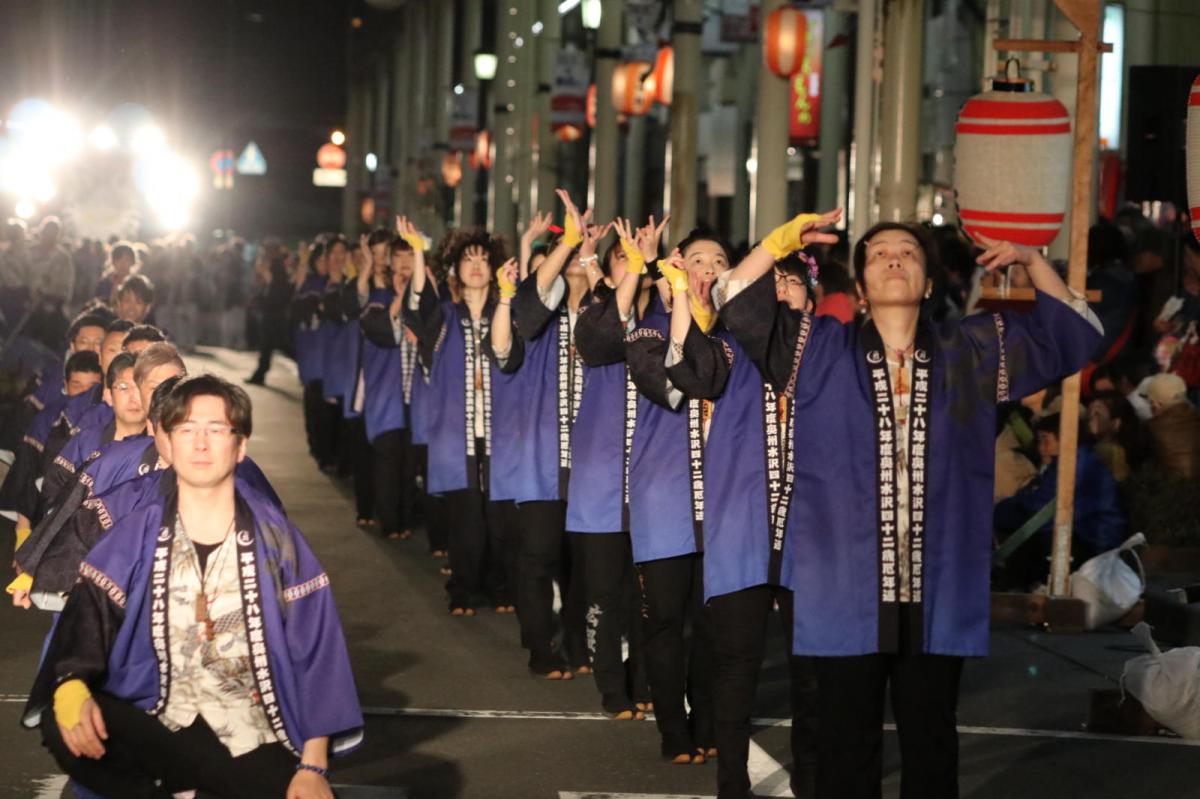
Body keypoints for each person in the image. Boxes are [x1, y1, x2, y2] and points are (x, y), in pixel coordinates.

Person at [715, 211, 1101, 798]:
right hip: (844, 591)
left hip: (938, 589)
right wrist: (778, 241)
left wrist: (1031, 259)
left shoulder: (971, 349)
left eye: (908, 252)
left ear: (928, 283)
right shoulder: (819, 349)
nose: (894, 258)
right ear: (861, 288)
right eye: (878, 254)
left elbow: (1074, 336)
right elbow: (736, 300)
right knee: (846, 749)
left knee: (931, 745)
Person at [27, 374, 362, 798]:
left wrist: (313, 765)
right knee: (62, 721)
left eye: (216, 430)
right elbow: (87, 618)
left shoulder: (278, 542)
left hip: (251, 737)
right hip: (160, 718)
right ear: (167, 443)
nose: (200, 444)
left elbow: (317, 654)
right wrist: (72, 684)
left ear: (240, 446)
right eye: (186, 430)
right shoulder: (137, 533)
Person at [703, 250, 821, 798]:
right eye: (769, 282)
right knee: (736, 667)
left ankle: (814, 778)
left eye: (791, 281)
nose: (780, 289)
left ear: (811, 296)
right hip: (741, 531)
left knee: (812, 671)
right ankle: (731, 784)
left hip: (810, 537)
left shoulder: (831, 355)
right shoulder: (730, 349)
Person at [625, 227, 738, 764]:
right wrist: (680, 308)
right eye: (697, 259)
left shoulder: (739, 335)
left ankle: (708, 721)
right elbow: (673, 387)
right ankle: (673, 728)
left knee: (714, 627)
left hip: (724, 505)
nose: (708, 268)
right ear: (677, 268)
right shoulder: (646, 333)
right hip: (665, 501)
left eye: (719, 260)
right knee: (666, 622)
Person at [490, 191, 600, 679]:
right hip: (542, 463)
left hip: (594, 463)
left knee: (583, 563)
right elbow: (521, 316)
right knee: (539, 556)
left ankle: (577, 640)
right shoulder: (538, 322)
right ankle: (540, 646)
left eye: (579, 251)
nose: (572, 259)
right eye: (564, 254)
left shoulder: (601, 317)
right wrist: (565, 241)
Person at [565, 214, 664, 716]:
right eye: (623, 257)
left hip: (655, 486)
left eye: (638, 256)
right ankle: (611, 687)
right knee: (604, 594)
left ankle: (644, 682)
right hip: (600, 484)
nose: (634, 262)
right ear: (606, 274)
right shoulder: (594, 317)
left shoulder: (668, 318)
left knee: (648, 599)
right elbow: (602, 341)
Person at [403, 218, 508, 616]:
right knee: (466, 518)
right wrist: (418, 252)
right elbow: (419, 306)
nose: (476, 266)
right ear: (455, 270)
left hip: (501, 434)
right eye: (468, 259)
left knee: (499, 515)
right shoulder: (445, 316)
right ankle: (463, 590)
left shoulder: (507, 312)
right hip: (457, 434)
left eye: (483, 259)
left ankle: (500, 587)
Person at [995, 414, 1128, 590]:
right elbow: (1030, 498)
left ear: (1065, 438)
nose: (1042, 448)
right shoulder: (1066, 463)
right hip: (1084, 536)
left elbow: (1038, 508)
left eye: (1046, 440)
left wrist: (995, 514)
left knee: (1029, 549)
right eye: (1039, 441)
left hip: (1094, 543)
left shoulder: (1074, 465)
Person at [355, 231, 422, 540]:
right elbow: (378, 329)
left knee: (409, 466)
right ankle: (390, 522)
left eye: (410, 258)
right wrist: (399, 297)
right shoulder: (377, 300)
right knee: (388, 462)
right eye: (398, 259)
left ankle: (405, 519)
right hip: (385, 398)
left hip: (416, 399)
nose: (404, 265)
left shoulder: (425, 300)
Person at [246, 240, 295, 385]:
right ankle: (260, 373)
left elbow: (277, 289)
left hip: (274, 311)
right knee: (268, 344)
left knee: (280, 343)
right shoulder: (274, 266)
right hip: (272, 310)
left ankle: (260, 373)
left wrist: (266, 275)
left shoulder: (277, 266)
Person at [1143, 372, 1200, 479]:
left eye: (1150, 402)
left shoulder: (1150, 427)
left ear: (1157, 404)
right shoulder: (1196, 416)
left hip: (1172, 486)